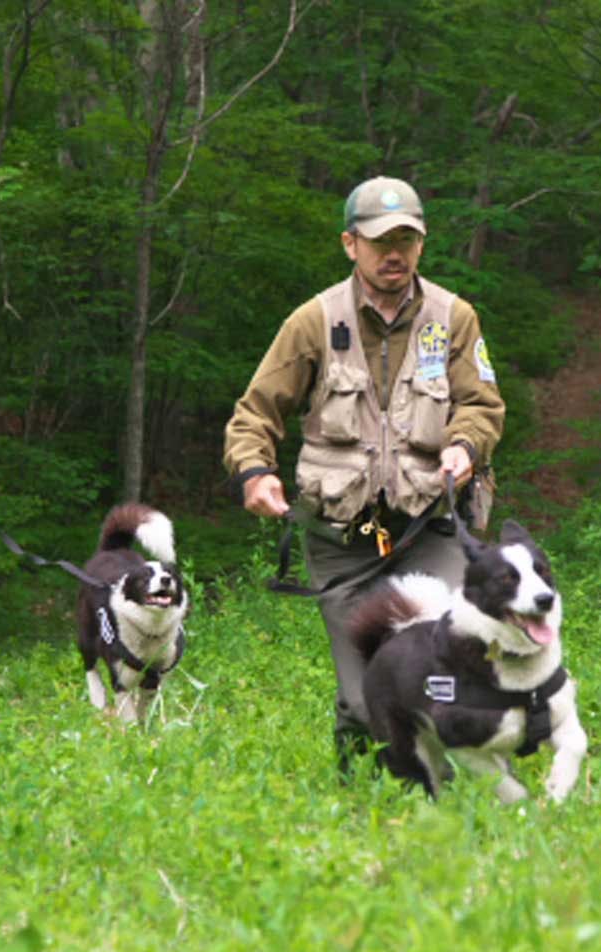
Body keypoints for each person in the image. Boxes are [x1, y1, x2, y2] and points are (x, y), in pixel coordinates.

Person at [223, 176, 506, 773]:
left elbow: (482, 406)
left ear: (422, 244)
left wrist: (464, 446)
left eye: (407, 239)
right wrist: (255, 473)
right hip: (342, 540)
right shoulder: (313, 323)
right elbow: (256, 413)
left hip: (429, 527)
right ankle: (359, 788)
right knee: (361, 700)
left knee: (447, 668)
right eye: (380, 241)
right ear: (350, 244)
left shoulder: (453, 318)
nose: (394, 253)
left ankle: (446, 793)